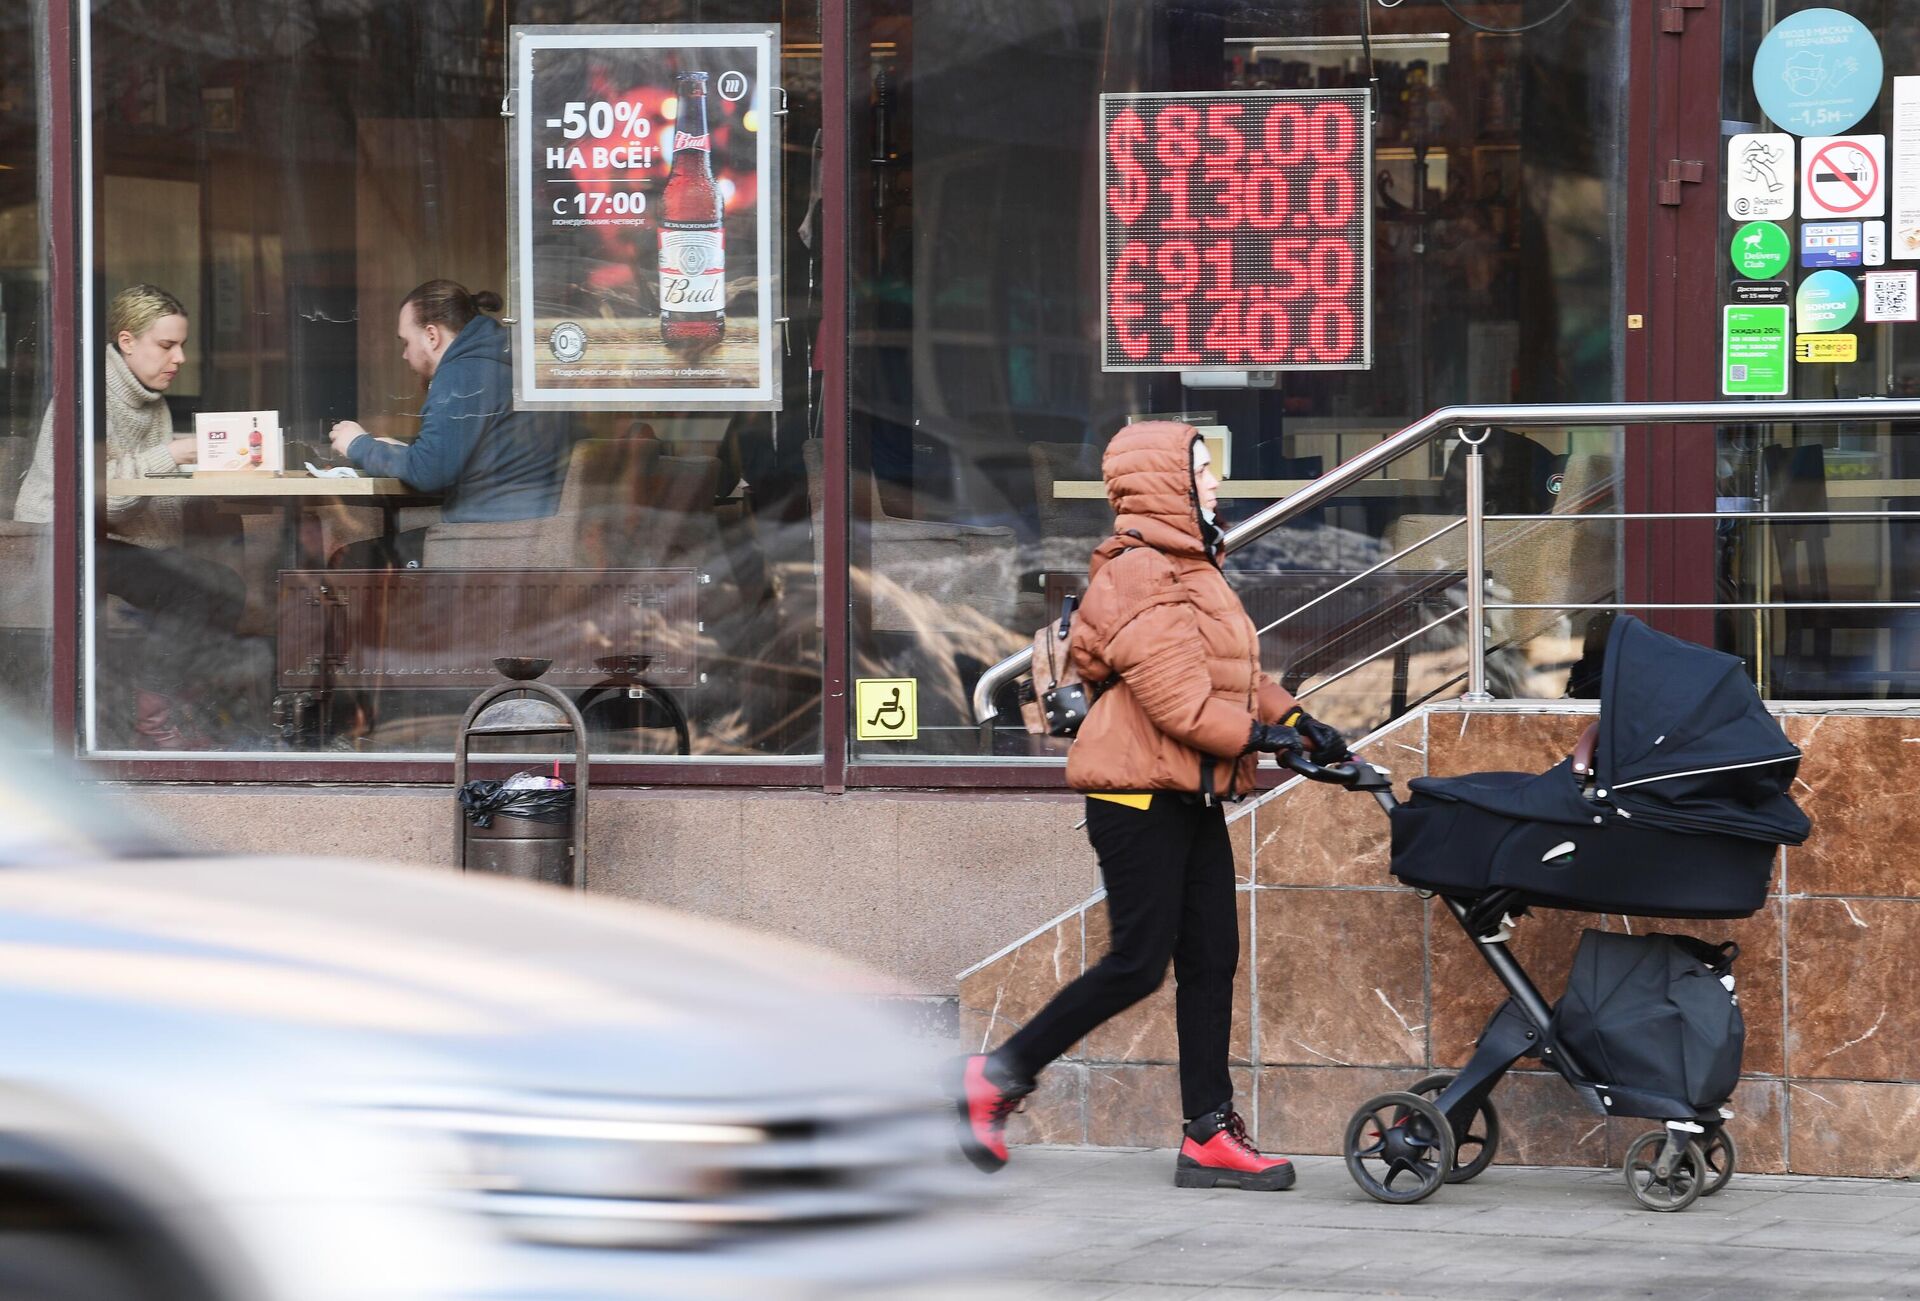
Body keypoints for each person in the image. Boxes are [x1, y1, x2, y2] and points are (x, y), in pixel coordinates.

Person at [954, 421, 1352, 1191]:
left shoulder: (1195, 568)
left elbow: (1231, 678)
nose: (1214, 484)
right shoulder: (1138, 572)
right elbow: (1180, 704)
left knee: (1212, 957)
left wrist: (1301, 722)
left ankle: (1208, 1132)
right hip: (1136, 793)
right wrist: (1267, 737)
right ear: (1164, 482)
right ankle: (997, 1075)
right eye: (1201, 471)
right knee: (1138, 961)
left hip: (1189, 788)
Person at [15, 284, 245, 749]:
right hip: (61, 534)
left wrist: (201, 468)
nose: (179, 357)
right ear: (126, 342)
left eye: (182, 345)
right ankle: (155, 726)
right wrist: (172, 454)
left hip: (111, 537)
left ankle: (173, 706)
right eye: (166, 345)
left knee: (224, 586)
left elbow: (144, 486)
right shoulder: (87, 396)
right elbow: (99, 495)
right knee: (190, 588)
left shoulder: (149, 399)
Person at [327, 281, 562, 566]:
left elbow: (428, 472)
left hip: (489, 537)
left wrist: (359, 445)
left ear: (431, 336)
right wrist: (407, 451)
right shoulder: (498, 363)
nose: (404, 354)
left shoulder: (462, 373)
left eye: (405, 342)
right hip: (529, 529)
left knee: (349, 562)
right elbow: (468, 452)